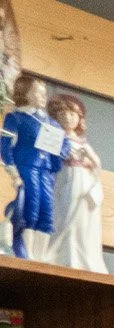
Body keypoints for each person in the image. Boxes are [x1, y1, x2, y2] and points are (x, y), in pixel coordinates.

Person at [1, 74, 64, 259]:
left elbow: (59, 149)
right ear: (25, 94)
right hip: (26, 167)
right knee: (31, 209)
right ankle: (26, 253)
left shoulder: (51, 123)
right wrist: (13, 173)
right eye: (38, 92)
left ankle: (40, 256)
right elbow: (5, 146)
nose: (43, 97)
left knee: (46, 212)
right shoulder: (17, 118)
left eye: (44, 93)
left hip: (45, 171)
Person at [43, 93, 104, 274]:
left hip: (83, 181)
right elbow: (46, 160)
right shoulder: (53, 136)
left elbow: (97, 163)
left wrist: (88, 158)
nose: (68, 117)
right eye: (63, 113)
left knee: (82, 220)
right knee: (64, 214)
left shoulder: (82, 142)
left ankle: (80, 257)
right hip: (65, 179)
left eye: (72, 114)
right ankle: (60, 255)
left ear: (79, 119)